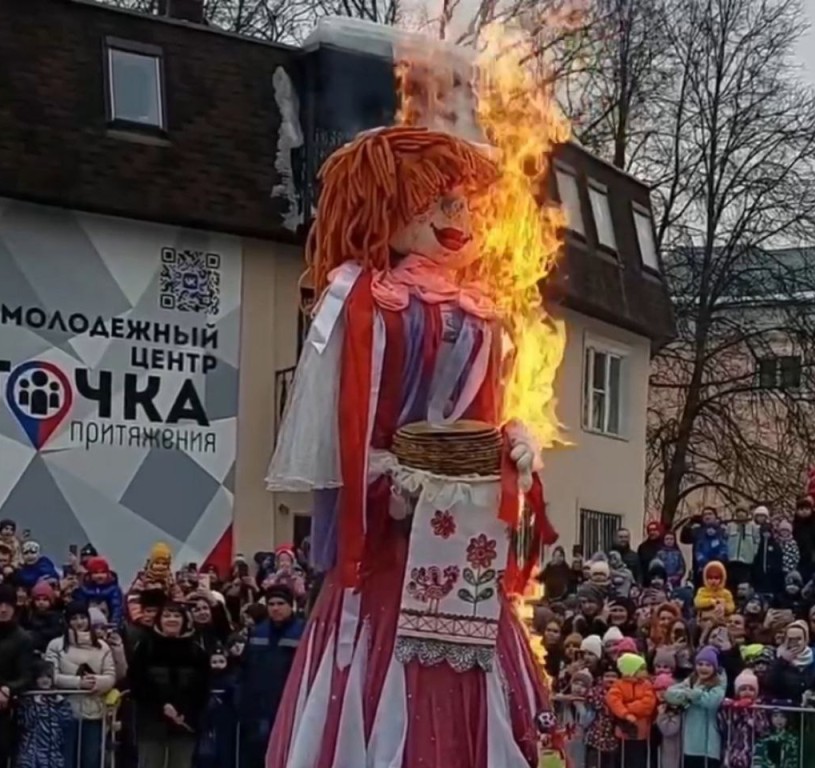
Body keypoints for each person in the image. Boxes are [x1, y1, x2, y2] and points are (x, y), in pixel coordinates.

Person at [264, 125, 552, 767]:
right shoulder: (359, 298)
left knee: (470, 668)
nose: (456, 216)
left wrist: (511, 445)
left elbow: (483, 413)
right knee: (384, 671)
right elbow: (340, 418)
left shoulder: (480, 312)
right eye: (435, 200)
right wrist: (381, 477)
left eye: (462, 202)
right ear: (385, 206)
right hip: (389, 548)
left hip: (459, 546)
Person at [129, 602, 211, 768]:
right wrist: (162, 705)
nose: (171, 620)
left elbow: (202, 686)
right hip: (151, 722)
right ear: (159, 620)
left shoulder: (196, 650)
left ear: (184, 620)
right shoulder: (145, 646)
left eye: (176, 616)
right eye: (167, 616)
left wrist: (182, 710)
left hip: (185, 723)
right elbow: (137, 681)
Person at [237, 585, 305, 768]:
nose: (275, 608)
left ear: (291, 606)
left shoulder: (303, 632)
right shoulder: (257, 632)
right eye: (271, 604)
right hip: (258, 707)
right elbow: (244, 667)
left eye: (281, 603)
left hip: (290, 705)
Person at [44, 602, 117, 768]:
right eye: (74, 618)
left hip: (94, 713)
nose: (79, 622)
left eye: (82, 617)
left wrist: (97, 683)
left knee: (90, 760)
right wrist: (78, 683)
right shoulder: (56, 645)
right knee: (65, 760)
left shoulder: (103, 647)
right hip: (64, 713)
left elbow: (110, 675)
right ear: (67, 621)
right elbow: (51, 676)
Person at [0, 585, 35, 767]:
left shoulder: (23, 638)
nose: (4, 609)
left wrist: (6, 689)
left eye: (8, 605)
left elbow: (27, 675)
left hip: (6, 710)